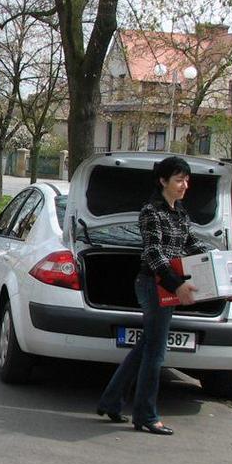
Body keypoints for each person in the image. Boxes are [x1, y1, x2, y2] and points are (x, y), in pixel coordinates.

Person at [97, 156, 211, 435]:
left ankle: (111, 401)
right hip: (153, 285)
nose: (185, 184)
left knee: (147, 345)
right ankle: (146, 415)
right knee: (156, 354)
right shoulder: (151, 211)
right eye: (179, 179)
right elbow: (153, 253)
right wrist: (176, 285)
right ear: (163, 181)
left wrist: (216, 260)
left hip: (167, 287)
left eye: (186, 179)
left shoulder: (180, 212)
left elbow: (191, 243)